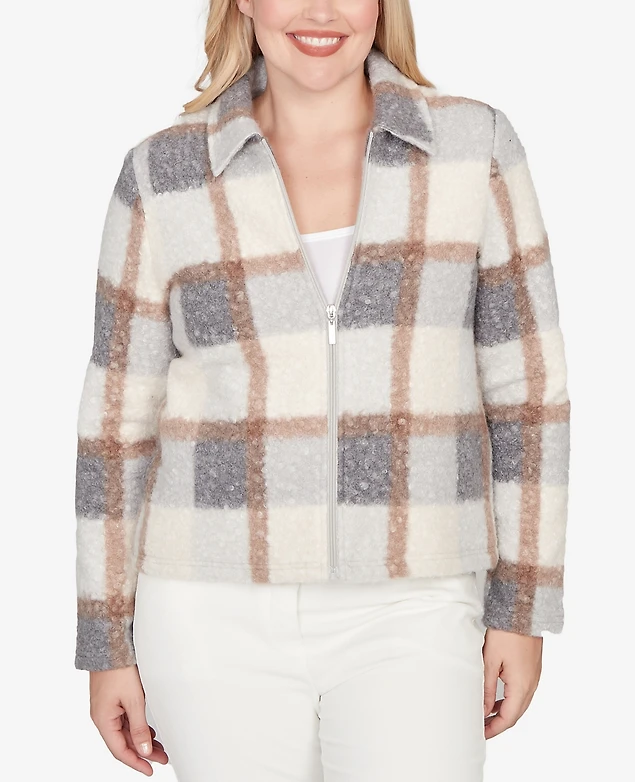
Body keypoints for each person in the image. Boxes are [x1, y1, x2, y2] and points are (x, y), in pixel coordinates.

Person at [73, 0, 571, 780]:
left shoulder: (472, 148)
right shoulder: (162, 173)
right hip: (207, 606)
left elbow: (528, 394)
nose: (321, 11)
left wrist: (523, 606)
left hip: (416, 597)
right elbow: (117, 420)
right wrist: (106, 641)